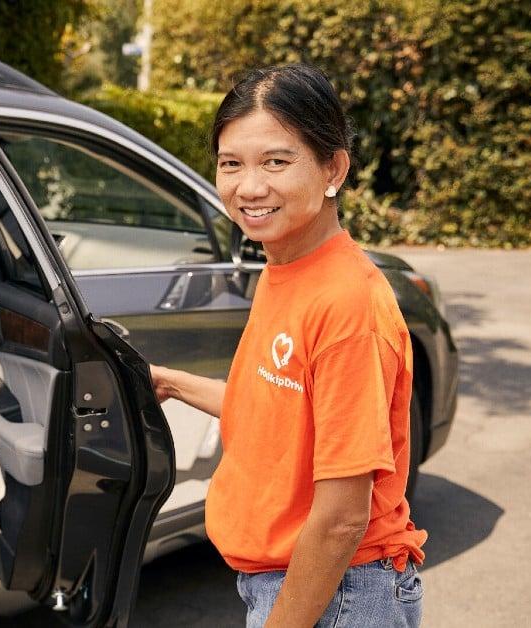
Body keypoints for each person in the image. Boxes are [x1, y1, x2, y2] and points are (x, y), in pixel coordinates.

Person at [149, 64, 427, 627]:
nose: (249, 187)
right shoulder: (288, 266)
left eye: (276, 161)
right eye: (232, 164)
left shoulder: (348, 303)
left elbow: (343, 518)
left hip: (340, 590)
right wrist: (170, 383)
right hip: (297, 580)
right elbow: (280, 414)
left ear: (334, 168)